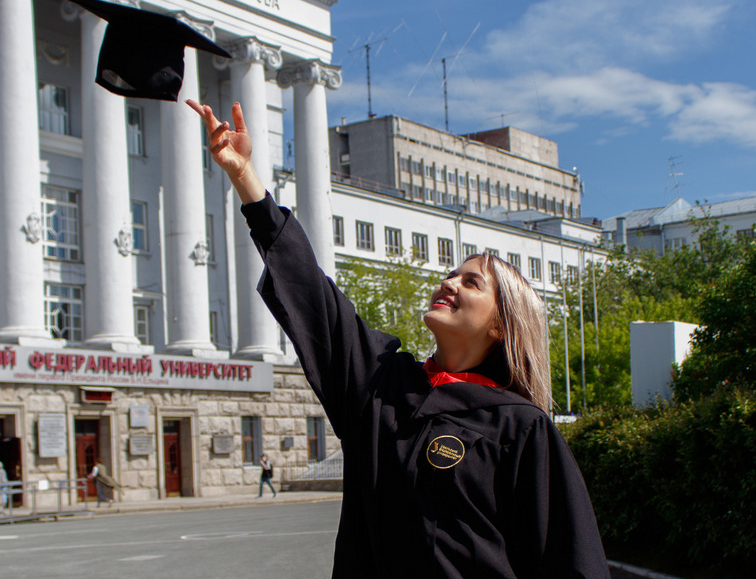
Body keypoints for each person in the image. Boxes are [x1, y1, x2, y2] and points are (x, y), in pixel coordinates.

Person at [189, 99, 609, 579]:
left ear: (501, 325)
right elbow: (314, 298)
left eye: (471, 283)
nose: (449, 282)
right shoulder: (382, 388)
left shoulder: (519, 429)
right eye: (451, 273)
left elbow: (571, 561)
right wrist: (246, 178)